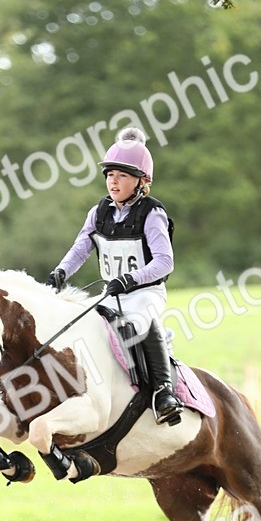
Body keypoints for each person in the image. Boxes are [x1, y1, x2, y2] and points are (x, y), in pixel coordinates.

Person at [47, 126, 183, 425]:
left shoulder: (152, 213)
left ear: (141, 181)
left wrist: (132, 279)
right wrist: (60, 272)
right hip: (111, 293)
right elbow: (81, 248)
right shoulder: (99, 212)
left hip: (145, 292)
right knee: (77, 326)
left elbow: (165, 262)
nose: (113, 181)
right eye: (110, 174)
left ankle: (164, 392)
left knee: (136, 322)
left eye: (122, 175)